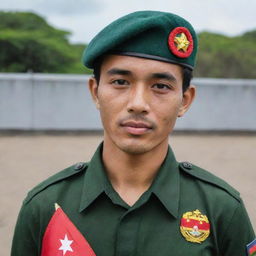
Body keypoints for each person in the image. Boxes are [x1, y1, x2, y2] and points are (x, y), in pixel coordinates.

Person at [11, 11, 255, 256]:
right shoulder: (44, 207)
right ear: (95, 92)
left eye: (160, 86)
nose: (138, 104)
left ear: (185, 100)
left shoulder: (221, 209)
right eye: (120, 82)